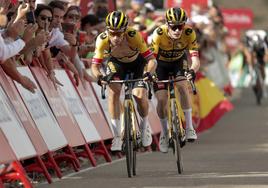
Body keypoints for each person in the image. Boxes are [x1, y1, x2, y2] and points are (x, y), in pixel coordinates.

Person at [91, 10, 157, 151]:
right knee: (113, 92)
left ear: (125, 30)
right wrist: (99, 77)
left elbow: (151, 60)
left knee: (139, 95)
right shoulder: (102, 39)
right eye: (112, 33)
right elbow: (95, 65)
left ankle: (144, 127)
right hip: (117, 64)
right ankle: (116, 136)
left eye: (119, 33)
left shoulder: (133, 35)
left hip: (137, 63)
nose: (115, 37)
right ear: (107, 30)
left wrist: (148, 73)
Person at [150, 7, 200, 153]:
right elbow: (151, 59)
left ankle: (189, 127)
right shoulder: (159, 33)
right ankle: (165, 134)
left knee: (183, 86)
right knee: (162, 100)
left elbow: (195, 59)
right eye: (174, 27)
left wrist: (192, 70)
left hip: (179, 62)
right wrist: (150, 73)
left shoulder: (189, 33)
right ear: (167, 24)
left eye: (181, 26)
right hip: (160, 65)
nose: (178, 30)